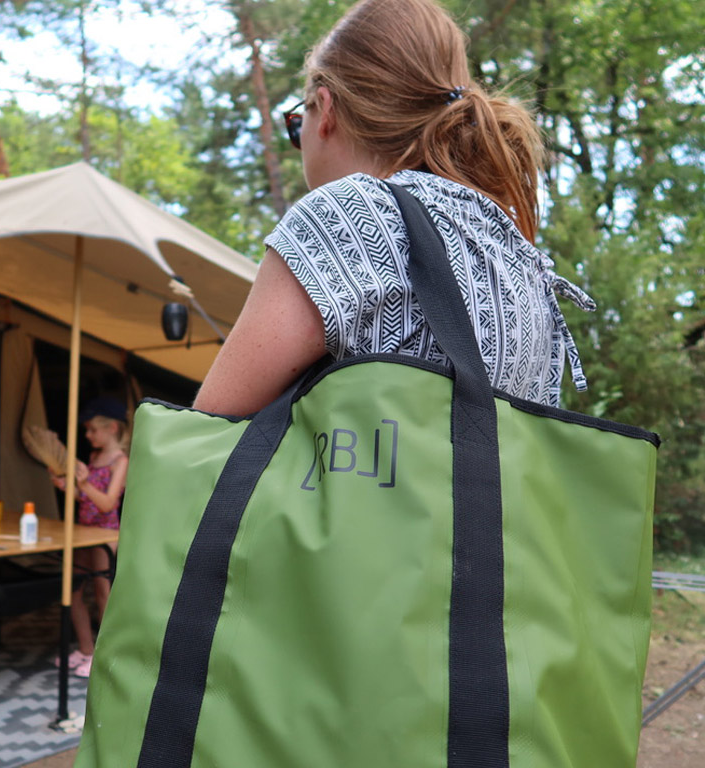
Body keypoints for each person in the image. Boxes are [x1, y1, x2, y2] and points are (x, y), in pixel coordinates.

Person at [193, 0, 594, 419]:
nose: (301, 139)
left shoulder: (347, 215)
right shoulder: (521, 261)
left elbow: (208, 436)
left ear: (325, 108)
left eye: (299, 122)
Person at [50, 396, 129, 678]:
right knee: (72, 591)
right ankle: (86, 649)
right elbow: (82, 498)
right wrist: (66, 487)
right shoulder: (94, 458)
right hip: (84, 531)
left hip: (106, 534)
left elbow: (108, 504)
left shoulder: (120, 461)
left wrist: (82, 483)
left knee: (102, 592)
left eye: (92, 430)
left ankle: (107, 656)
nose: (87, 435)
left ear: (111, 428)